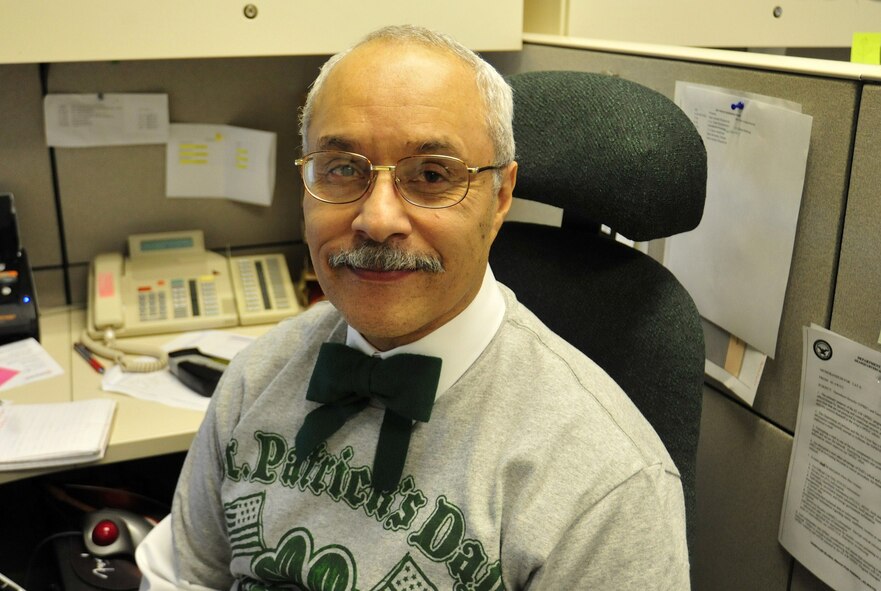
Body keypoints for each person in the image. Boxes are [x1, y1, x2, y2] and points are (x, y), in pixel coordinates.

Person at [136, 24, 690, 590]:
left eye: (430, 176)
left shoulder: (607, 486)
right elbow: (185, 576)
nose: (377, 220)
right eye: (343, 169)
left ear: (500, 197)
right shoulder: (258, 376)